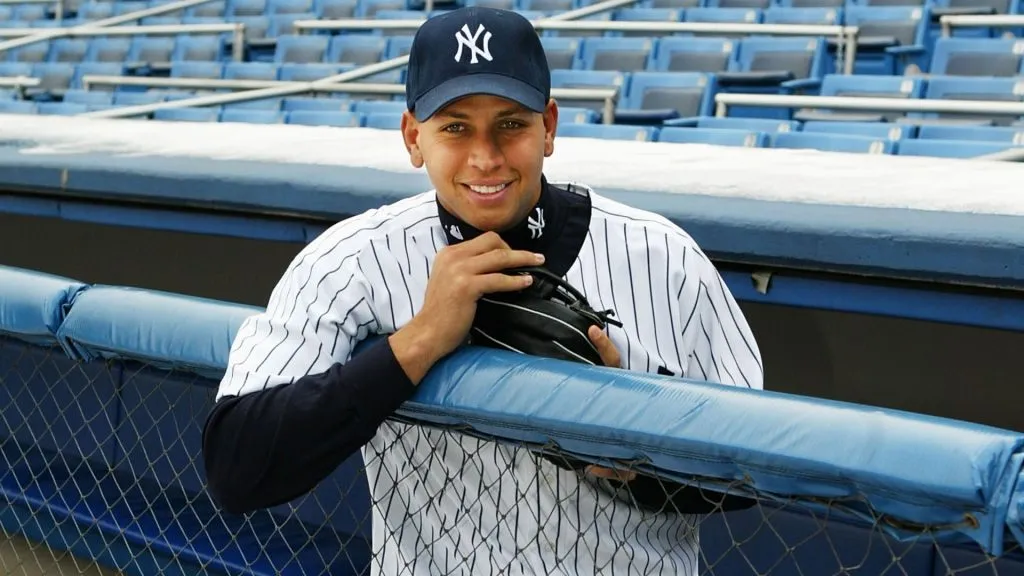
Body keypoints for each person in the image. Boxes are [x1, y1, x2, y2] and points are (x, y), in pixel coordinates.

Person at [202, 6, 764, 575]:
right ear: (412, 137)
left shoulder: (664, 258)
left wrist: (636, 454)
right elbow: (237, 468)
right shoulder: (352, 261)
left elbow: (754, 473)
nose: (485, 156)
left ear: (548, 127)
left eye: (511, 124)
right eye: (455, 126)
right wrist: (416, 344)